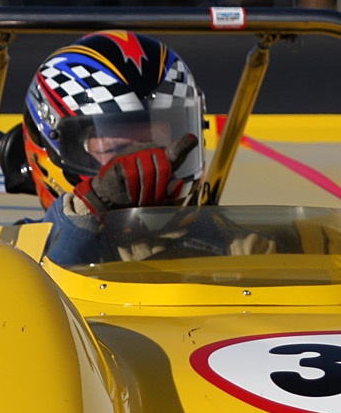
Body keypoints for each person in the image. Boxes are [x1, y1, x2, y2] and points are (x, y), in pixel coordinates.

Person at [19, 31, 206, 264]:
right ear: (53, 147)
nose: (144, 167)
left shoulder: (236, 247)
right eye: (117, 150)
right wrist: (87, 210)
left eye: (160, 149)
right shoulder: (10, 254)